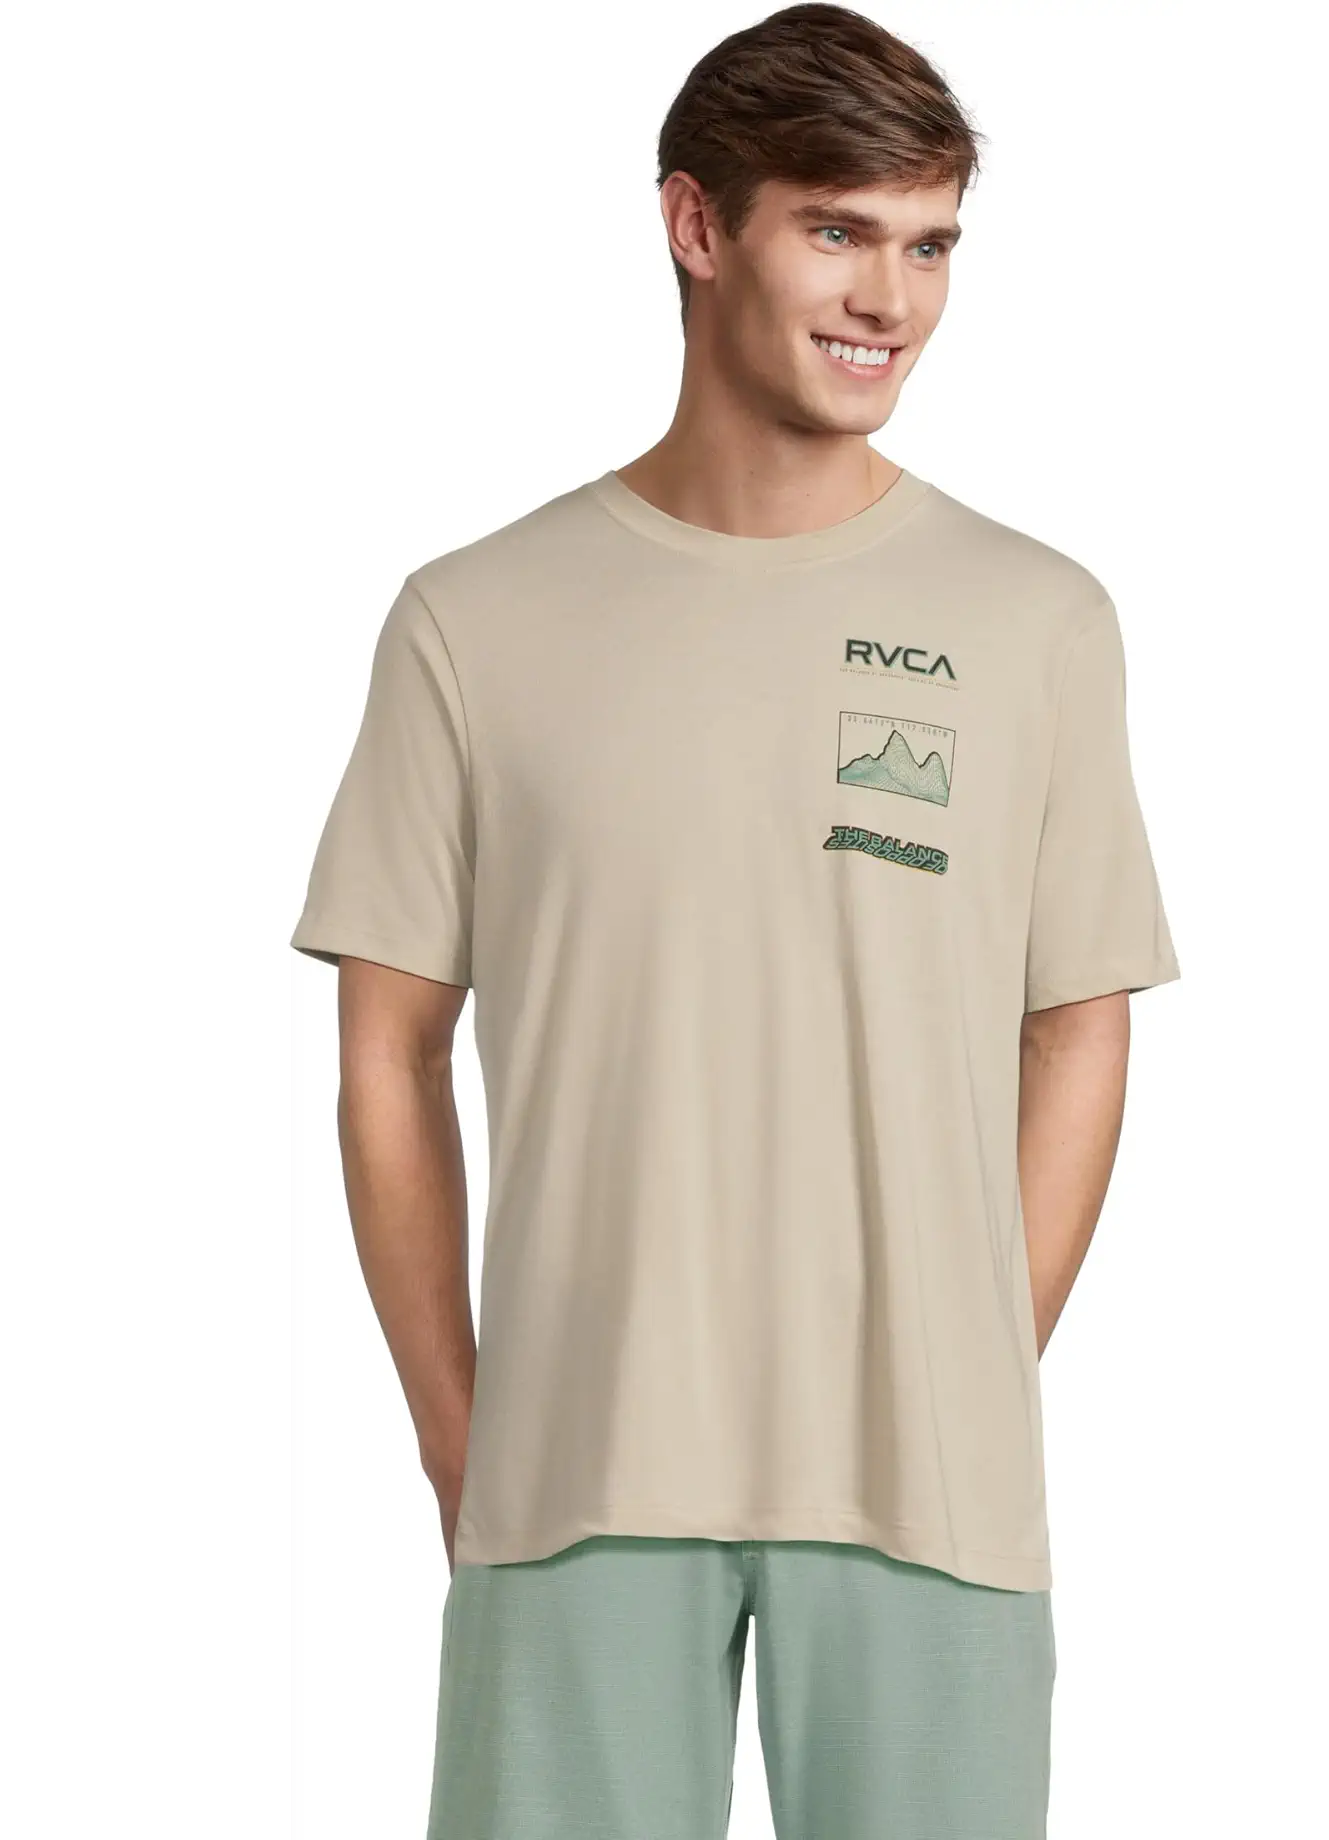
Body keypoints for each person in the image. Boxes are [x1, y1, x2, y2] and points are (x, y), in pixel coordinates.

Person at [290, 5, 1180, 1835]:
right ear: (698, 225)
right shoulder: (476, 617)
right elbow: (388, 1048)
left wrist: (963, 1358)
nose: (892, 301)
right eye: (838, 231)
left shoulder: (1036, 620)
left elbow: (1079, 1020)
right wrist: (459, 1431)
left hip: (928, 1494)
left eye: (930, 244)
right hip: (578, 1468)